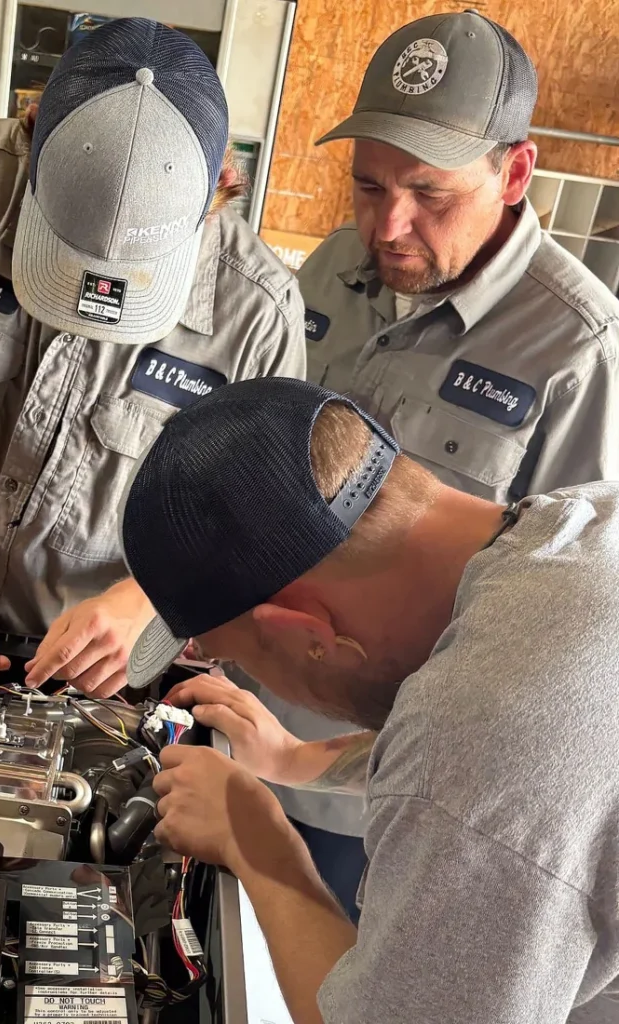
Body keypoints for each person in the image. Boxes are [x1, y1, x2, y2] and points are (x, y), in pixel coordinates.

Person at [0, 18, 305, 707]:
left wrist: (151, 603)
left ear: (224, 184)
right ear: (32, 128)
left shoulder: (259, 316)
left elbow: (255, 530)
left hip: (85, 682)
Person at [119, 375, 619, 1024]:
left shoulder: (482, 724)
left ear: (304, 633)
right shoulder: (579, 530)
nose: (242, 673)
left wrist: (259, 845)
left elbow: (486, 750)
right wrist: (296, 760)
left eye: (236, 657)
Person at [265, 9, 619, 918]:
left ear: (515, 173)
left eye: (430, 193)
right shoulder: (334, 267)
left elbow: (557, 652)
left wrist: (322, 764)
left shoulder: (577, 353)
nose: (389, 226)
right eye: (367, 185)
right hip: (251, 721)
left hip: (384, 800)